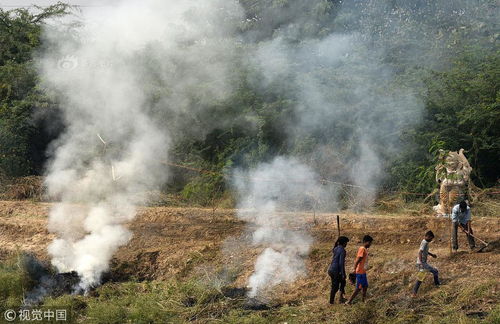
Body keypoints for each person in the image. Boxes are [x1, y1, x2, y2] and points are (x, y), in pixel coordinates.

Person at [346, 235, 373, 304]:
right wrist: (354, 269)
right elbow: (358, 260)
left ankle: (363, 301)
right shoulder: (362, 249)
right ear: (366, 242)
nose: (370, 244)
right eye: (369, 243)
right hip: (360, 272)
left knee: (365, 286)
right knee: (358, 288)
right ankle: (349, 302)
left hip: (363, 272)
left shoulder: (365, 250)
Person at [412, 231, 440, 297]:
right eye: (431, 238)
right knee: (434, 272)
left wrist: (432, 254)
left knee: (422, 277)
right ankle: (437, 285)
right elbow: (420, 252)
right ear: (427, 236)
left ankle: (414, 292)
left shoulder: (425, 242)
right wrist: (422, 263)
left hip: (422, 263)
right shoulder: (424, 243)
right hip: (422, 263)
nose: (431, 240)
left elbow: (425, 251)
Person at [328, 236, 349, 304]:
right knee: (335, 287)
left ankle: (341, 298)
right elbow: (341, 263)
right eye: (346, 243)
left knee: (343, 282)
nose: (346, 244)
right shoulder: (342, 250)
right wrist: (343, 274)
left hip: (331, 269)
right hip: (335, 271)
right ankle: (331, 302)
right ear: (344, 243)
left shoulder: (335, 248)